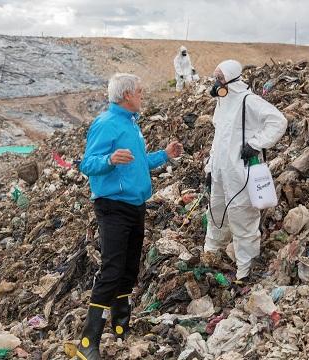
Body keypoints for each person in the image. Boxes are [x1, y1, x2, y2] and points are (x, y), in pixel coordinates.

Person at [77, 73, 183, 359]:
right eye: (139, 91)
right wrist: (109, 160)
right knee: (111, 270)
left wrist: (165, 154)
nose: (142, 95)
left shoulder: (131, 125)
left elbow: (138, 164)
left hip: (135, 205)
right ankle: (88, 343)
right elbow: (87, 164)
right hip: (113, 206)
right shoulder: (106, 124)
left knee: (129, 269)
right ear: (126, 95)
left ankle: (121, 329)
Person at [203, 60, 287, 283]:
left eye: (219, 78)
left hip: (240, 172)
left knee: (242, 219)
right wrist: (210, 168)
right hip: (221, 171)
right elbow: (218, 138)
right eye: (215, 77)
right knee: (216, 212)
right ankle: (211, 255)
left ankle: (245, 269)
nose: (216, 82)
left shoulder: (248, 101)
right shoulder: (222, 102)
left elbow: (278, 121)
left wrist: (257, 143)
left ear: (231, 78)